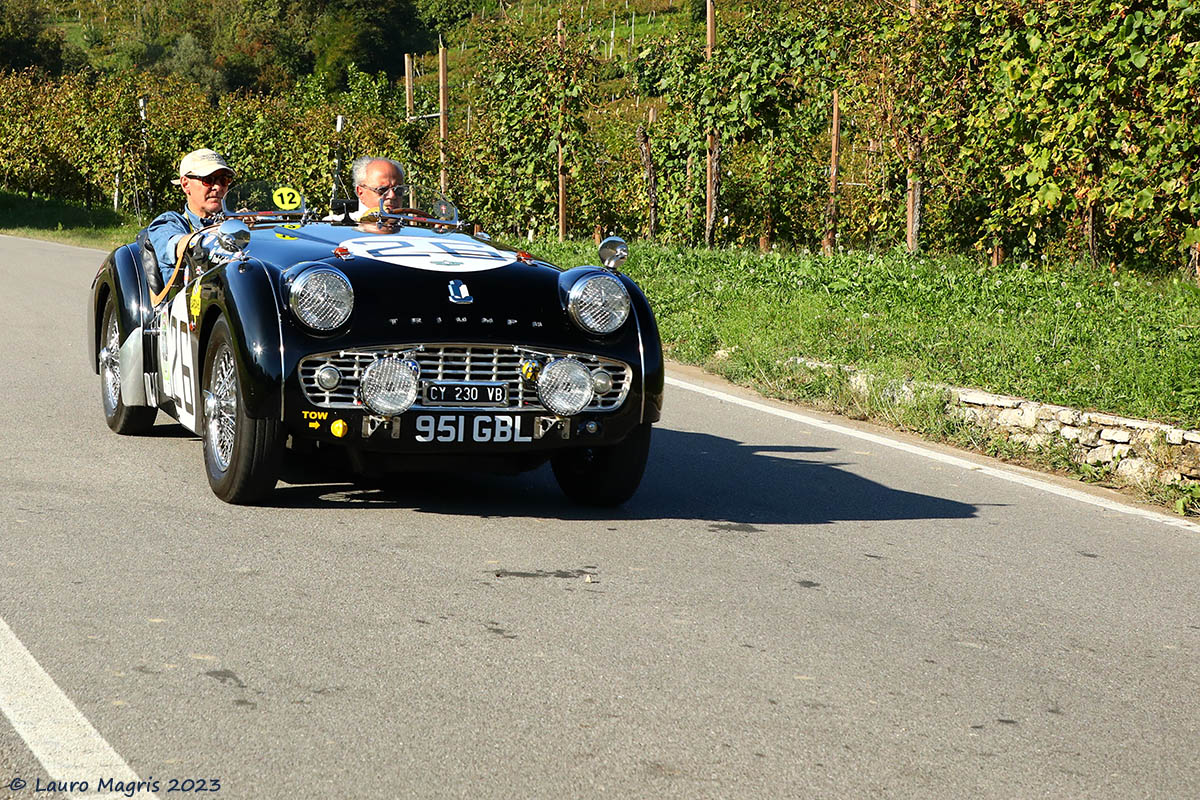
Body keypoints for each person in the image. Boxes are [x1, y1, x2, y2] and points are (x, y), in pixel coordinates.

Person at [144, 148, 235, 286]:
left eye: (224, 180)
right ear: (186, 184)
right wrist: (221, 230)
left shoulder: (235, 221)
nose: (217, 187)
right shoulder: (169, 222)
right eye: (208, 180)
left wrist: (249, 227)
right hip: (187, 297)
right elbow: (176, 246)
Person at [348, 156, 407, 230]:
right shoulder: (342, 228)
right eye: (382, 190)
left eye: (398, 190)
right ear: (360, 192)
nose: (392, 196)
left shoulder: (411, 230)